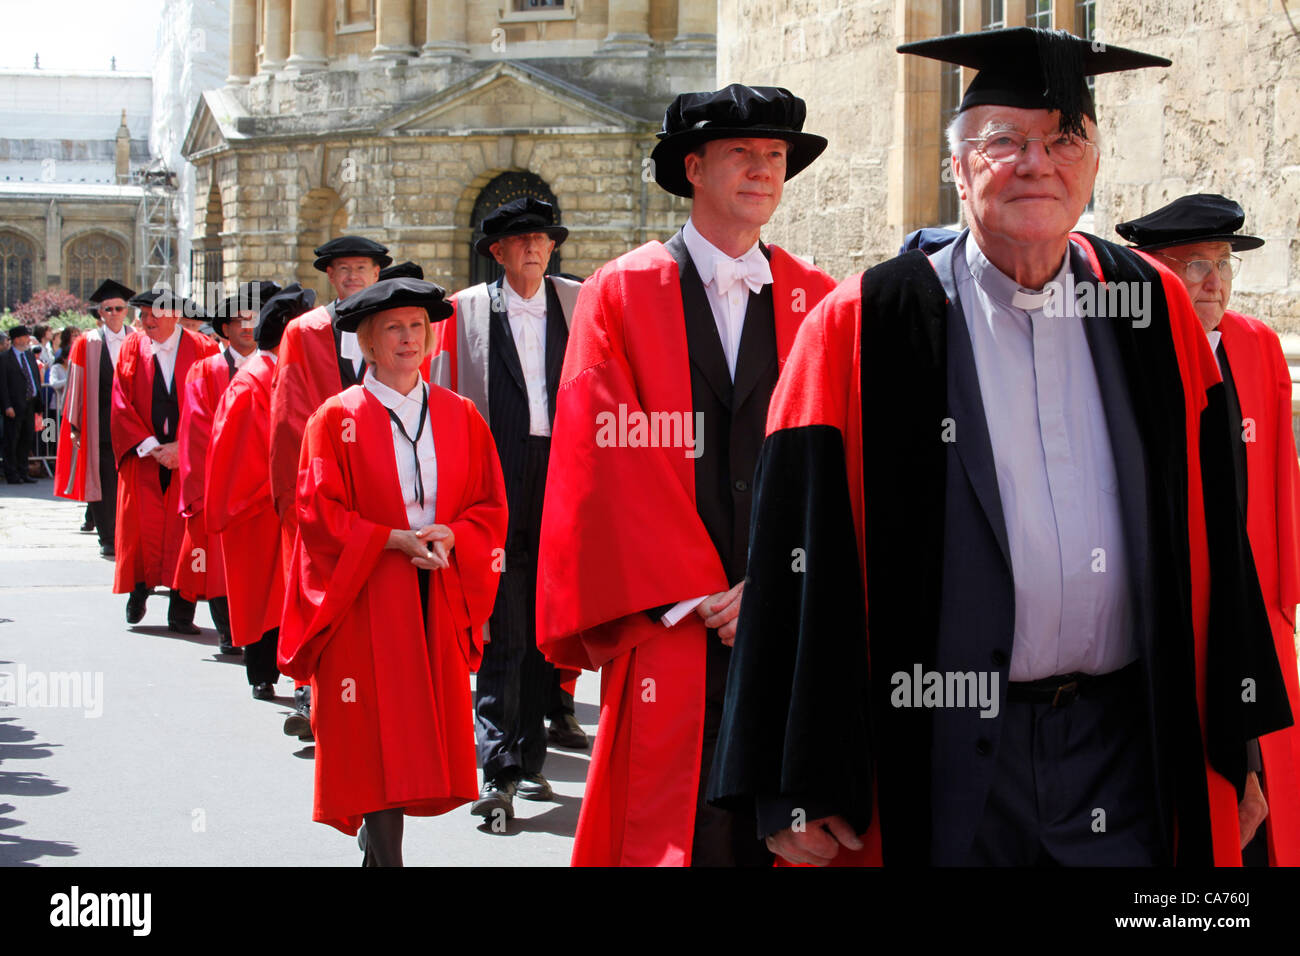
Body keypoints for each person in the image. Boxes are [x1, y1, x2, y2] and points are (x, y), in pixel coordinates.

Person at [708, 27, 1294, 867]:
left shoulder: (1149, 308)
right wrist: (789, 774)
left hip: (1127, 747)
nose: (1037, 163)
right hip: (938, 756)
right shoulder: (865, 321)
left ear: (1092, 163)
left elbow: (1212, 534)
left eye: (1064, 139)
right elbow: (796, 553)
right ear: (958, 168)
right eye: (1004, 141)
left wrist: (1237, 748)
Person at [535, 84, 837, 866]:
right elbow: (604, 455)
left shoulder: (820, 300)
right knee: (682, 825)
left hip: (789, 615)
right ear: (693, 168)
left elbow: (841, 470)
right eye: (742, 153)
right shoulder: (621, 291)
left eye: (776, 157)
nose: (763, 170)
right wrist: (698, 590)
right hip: (673, 615)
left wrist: (775, 584)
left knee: (782, 826)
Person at [278, 277, 508, 866]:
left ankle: (381, 847)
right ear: (367, 345)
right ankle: (388, 855)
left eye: (418, 327)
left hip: (436, 592)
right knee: (372, 729)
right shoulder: (335, 419)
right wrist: (389, 540)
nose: (409, 339)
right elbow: (316, 512)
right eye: (393, 329)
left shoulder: (461, 416)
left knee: (410, 731)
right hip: (365, 593)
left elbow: (489, 504)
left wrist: (455, 532)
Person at [1117, 193, 1300, 866]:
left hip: (1254, 603)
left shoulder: (1254, 344)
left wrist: (1283, 594)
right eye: (1194, 264)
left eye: (1223, 263)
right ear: (1155, 272)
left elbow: (1280, 463)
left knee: (1266, 777)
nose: (1213, 281)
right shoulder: (1130, 349)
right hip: (1171, 598)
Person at [431, 197, 583, 820]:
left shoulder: (580, 302)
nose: (533, 248)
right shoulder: (464, 311)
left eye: (542, 239)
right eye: (520, 240)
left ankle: (531, 754)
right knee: (500, 615)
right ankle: (500, 765)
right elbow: (443, 395)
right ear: (496, 252)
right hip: (495, 468)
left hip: (566, 470)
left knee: (548, 613)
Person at [208, 284, 317, 722]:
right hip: (260, 505)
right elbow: (242, 453)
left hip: (283, 500)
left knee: (284, 593)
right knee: (269, 592)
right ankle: (263, 671)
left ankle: (278, 671)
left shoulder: (282, 373)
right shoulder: (255, 380)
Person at [269, 236, 391, 561]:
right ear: (331, 276)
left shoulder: (396, 328)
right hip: (323, 473)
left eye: (361, 268)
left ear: (377, 273)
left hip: (385, 474)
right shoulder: (303, 331)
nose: (353, 276)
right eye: (344, 269)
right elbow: (287, 414)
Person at [175, 281, 280, 656]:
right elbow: (197, 430)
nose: (247, 326)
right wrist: (204, 487)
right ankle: (227, 629)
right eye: (239, 320)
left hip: (262, 484)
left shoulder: (278, 368)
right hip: (220, 481)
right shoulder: (205, 371)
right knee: (218, 564)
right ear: (225, 329)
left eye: (254, 318)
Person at [111, 288, 219, 630]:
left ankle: (181, 609)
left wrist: (183, 448)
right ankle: (139, 590)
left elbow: (213, 405)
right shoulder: (132, 345)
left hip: (188, 458)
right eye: (142, 315)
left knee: (184, 533)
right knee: (141, 530)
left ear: (174, 313)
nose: (146, 321)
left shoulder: (204, 348)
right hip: (144, 455)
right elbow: (119, 399)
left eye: (153, 314)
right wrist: (148, 444)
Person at [56, 280, 135, 556]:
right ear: (100, 313)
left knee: (131, 483)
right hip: (98, 424)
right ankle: (108, 537)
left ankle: (128, 535)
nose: (113, 313)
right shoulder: (87, 343)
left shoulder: (138, 339)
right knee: (103, 483)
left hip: (133, 426)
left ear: (127, 311)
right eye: (108, 309)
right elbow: (75, 385)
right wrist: (75, 426)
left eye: (118, 308)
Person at [1, 324, 42, 484]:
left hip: (30, 404)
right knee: (12, 440)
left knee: (27, 439)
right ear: (16, 339)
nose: (28, 339)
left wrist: (38, 401)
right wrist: (6, 406)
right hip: (14, 406)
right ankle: (11, 473)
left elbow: (35, 378)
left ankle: (23, 471)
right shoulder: (4, 358)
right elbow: (2, 384)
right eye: (25, 336)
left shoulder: (30, 356)